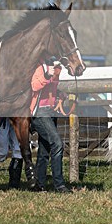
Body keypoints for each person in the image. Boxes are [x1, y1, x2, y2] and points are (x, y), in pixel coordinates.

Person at [30, 58, 72, 193]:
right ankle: (59, 184)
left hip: (51, 111)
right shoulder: (40, 67)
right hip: (39, 112)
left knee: (44, 149)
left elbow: (50, 88)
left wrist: (59, 94)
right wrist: (48, 74)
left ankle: (39, 184)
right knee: (57, 144)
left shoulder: (55, 67)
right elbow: (34, 86)